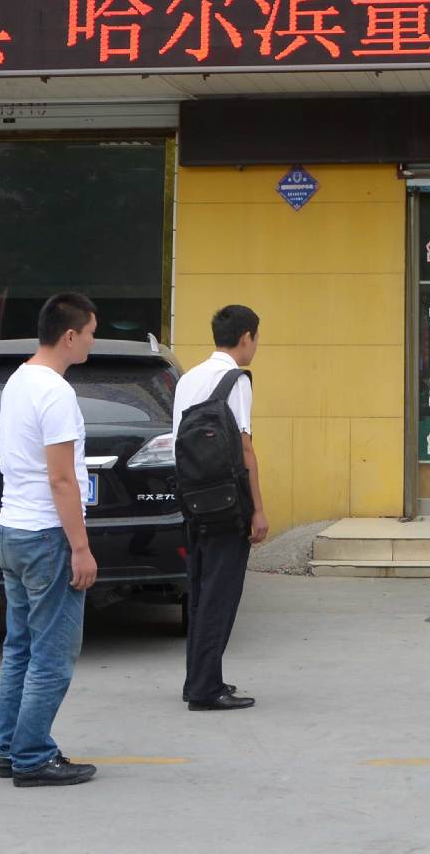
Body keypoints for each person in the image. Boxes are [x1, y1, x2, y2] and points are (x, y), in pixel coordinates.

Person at [0, 292, 101, 787]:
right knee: (52, 657)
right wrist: (80, 548)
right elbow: (61, 479)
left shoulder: (18, 380)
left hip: (11, 530)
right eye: (92, 333)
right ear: (70, 336)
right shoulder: (56, 393)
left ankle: (11, 749)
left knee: (19, 648)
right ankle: (33, 757)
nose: (93, 342)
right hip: (46, 537)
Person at [173, 304, 268, 712]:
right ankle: (206, 689)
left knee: (199, 590)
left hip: (193, 501)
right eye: (256, 339)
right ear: (246, 337)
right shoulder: (236, 381)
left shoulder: (188, 378)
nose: (256, 346)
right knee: (221, 594)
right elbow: (245, 449)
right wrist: (257, 509)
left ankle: (196, 679)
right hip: (228, 505)